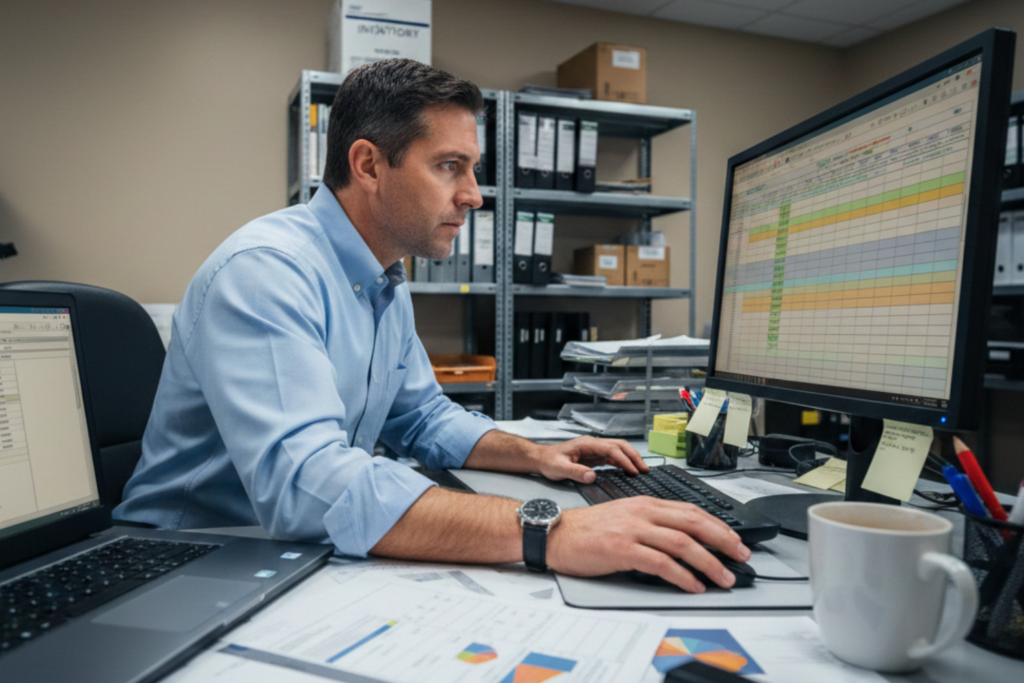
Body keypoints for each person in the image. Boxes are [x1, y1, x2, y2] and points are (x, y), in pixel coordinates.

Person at [115, 59, 749, 593]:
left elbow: (420, 417)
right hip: (187, 558)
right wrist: (550, 529)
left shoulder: (383, 276)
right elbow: (306, 487)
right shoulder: (268, 272)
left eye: (471, 168)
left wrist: (533, 456)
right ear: (367, 165)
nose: (474, 195)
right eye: (450, 166)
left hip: (281, 546)